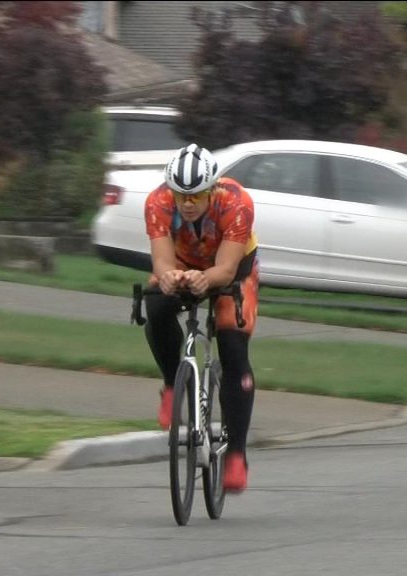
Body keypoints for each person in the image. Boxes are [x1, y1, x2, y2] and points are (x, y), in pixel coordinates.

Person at [142, 143, 260, 493]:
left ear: (213, 189)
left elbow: (224, 269)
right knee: (157, 306)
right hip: (183, 262)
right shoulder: (157, 203)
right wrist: (167, 277)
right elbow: (162, 260)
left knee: (232, 344)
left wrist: (205, 279)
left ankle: (236, 454)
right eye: (181, 196)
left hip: (233, 268)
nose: (188, 203)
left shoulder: (237, 202)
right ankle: (170, 383)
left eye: (197, 195)